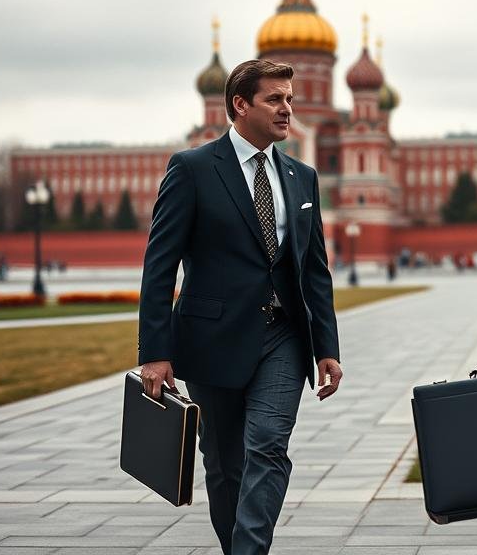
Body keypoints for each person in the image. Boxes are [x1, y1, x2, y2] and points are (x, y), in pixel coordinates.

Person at [137, 59, 343, 555]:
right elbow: (160, 266)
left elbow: (314, 270)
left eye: (290, 99)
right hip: (212, 339)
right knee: (224, 463)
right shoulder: (192, 169)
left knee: (268, 445)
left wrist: (326, 348)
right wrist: (155, 352)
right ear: (240, 105)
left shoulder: (301, 176)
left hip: (283, 338)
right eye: (275, 99)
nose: (287, 109)